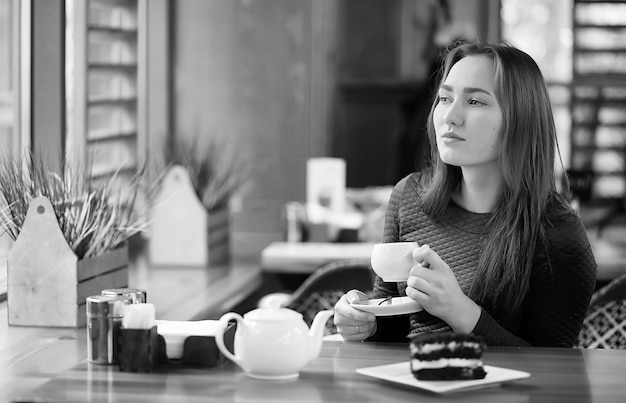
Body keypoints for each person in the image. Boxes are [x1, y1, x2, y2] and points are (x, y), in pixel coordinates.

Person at [333, 41, 598, 347]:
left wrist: (460, 311)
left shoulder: (558, 234)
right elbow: (391, 318)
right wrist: (363, 320)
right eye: (445, 98)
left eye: (475, 102)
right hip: (413, 388)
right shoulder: (408, 198)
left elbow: (556, 371)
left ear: (520, 119)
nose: (450, 116)